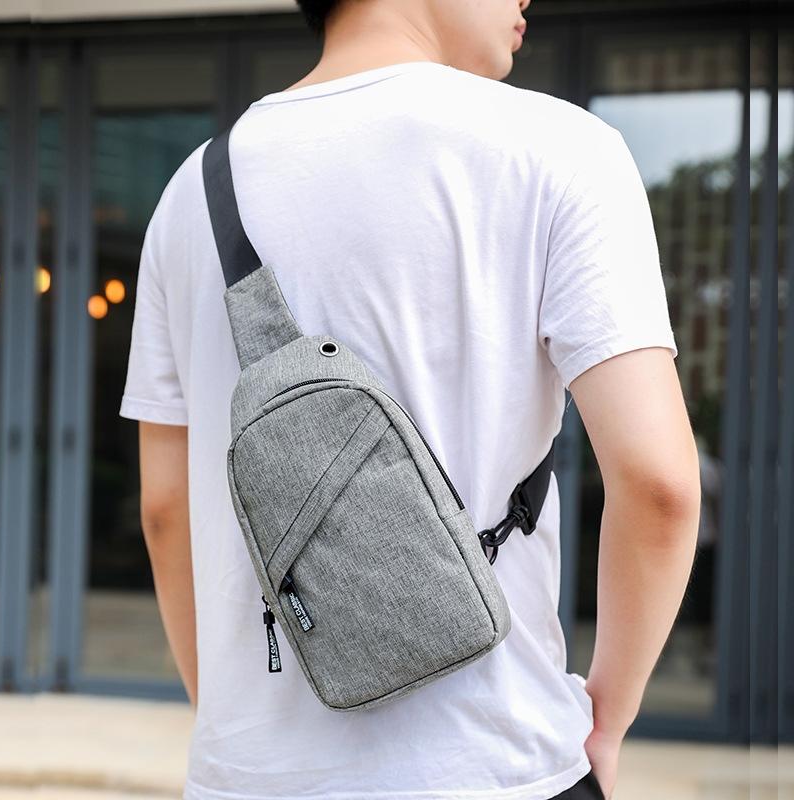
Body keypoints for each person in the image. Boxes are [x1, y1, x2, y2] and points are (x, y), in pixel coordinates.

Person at [118, 0, 701, 797]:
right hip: (498, 766)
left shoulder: (192, 191)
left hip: (246, 778)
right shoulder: (560, 149)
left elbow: (164, 508)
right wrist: (608, 719)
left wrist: (230, 725)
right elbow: (660, 485)